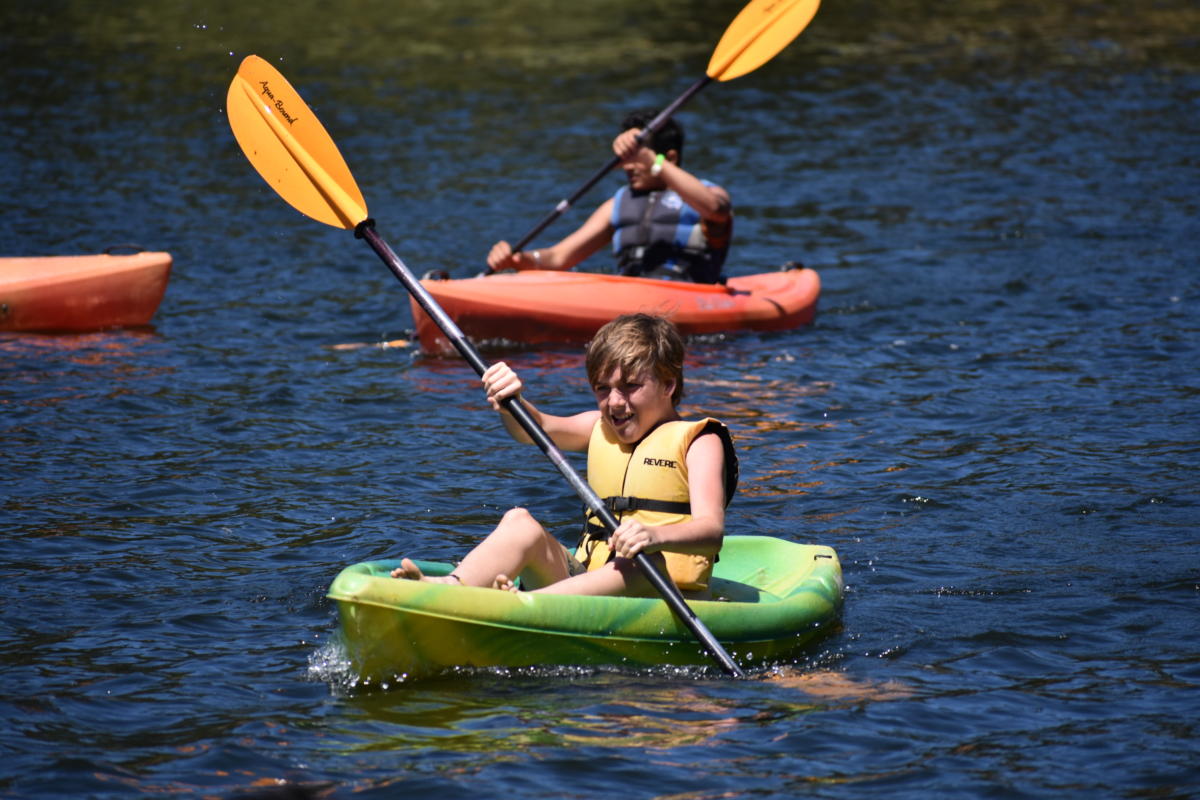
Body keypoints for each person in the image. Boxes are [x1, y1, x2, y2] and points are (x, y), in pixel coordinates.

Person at [391, 313, 739, 597]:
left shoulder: (700, 442)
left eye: (631, 386)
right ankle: (452, 588)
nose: (615, 402)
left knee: (639, 563)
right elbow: (534, 428)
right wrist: (510, 401)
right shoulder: (597, 427)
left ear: (668, 385)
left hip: (661, 589)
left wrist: (653, 536)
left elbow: (711, 532)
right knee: (519, 521)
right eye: (602, 389)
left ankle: (526, 604)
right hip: (589, 584)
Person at [486, 110, 733, 284]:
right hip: (631, 302)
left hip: (689, 294)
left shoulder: (707, 195)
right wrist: (518, 260)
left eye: (636, 158)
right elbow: (559, 257)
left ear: (670, 158)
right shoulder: (616, 205)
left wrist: (651, 161)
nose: (628, 166)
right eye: (627, 158)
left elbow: (717, 210)